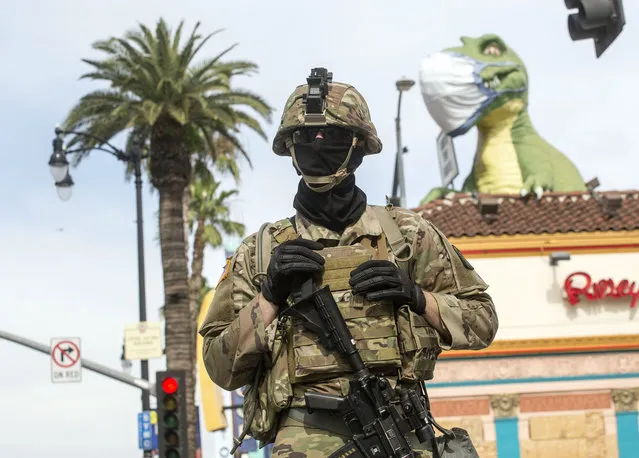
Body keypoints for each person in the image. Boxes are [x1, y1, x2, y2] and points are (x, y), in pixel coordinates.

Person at [199, 68, 499, 458]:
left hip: (399, 430)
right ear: (290, 150)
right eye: (306, 137)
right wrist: (269, 298)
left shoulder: (407, 236)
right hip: (304, 438)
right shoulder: (259, 253)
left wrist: (417, 296)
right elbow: (219, 368)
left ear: (358, 148)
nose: (318, 145)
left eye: (333, 136)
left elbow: (483, 322)